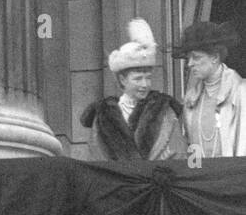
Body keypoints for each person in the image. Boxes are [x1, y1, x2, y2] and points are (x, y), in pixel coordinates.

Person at [80, 19, 187, 161]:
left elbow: (178, 155)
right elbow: (96, 160)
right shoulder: (102, 116)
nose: (145, 84)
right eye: (138, 79)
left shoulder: (165, 111)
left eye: (148, 78)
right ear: (123, 80)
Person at [172, 21, 246, 158]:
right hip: (204, 177)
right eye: (188, 58)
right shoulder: (190, 98)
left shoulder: (241, 92)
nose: (190, 64)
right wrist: (194, 176)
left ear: (215, 57)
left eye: (196, 57)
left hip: (235, 176)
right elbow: (192, 148)